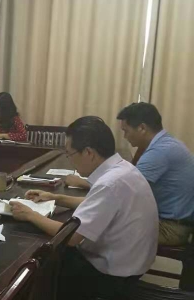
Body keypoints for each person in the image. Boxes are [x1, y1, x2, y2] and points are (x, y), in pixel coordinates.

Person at [10, 116, 158, 300]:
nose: (70, 159)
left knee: (48, 270)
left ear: (89, 152)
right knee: (55, 261)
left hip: (115, 275)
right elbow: (98, 204)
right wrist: (56, 198)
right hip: (132, 263)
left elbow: (70, 237)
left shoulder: (110, 183)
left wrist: (29, 214)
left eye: (70, 153)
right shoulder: (122, 170)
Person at [65, 103, 194, 246]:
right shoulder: (166, 143)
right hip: (177, 220)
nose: (125, 136)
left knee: (96, 229)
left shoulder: (158, 153)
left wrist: (80, 182)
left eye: (126, 131)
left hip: (171, 227)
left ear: (142, 128)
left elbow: (122, 188)